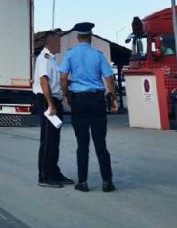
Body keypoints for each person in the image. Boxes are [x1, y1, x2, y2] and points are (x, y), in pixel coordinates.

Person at [59, 21, 119, 192]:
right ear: (90, 36)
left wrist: (67, 95)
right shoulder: (98, 54)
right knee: (100, 143)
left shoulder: (71, 54)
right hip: (96, 100)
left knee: (82, 144)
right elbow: (109, 78)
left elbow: (63, 78)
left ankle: (83, 182)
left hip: (78, 101)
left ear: (78, 37)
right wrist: (114, 99)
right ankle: (107, 182)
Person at [32, 36, 74, 187]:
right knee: (48, 139)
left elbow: (55, 81)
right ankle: (44, 176)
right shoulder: (44, 58)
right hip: (46, 100)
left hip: (54, 99)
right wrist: (51, 105)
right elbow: (44, 81)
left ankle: (54, 172)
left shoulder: (53, 59)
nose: (60, 45)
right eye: (58, 43)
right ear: (50, 43)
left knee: (54, 140)